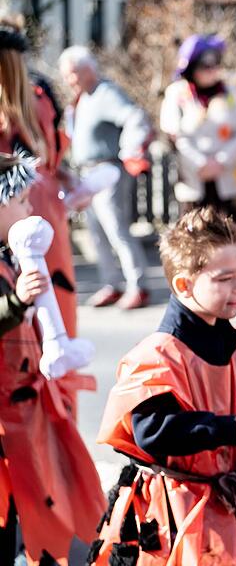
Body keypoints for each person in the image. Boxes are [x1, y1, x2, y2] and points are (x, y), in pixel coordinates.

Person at [89, 207, 236, 564]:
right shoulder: (157, 355)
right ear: (183, 285)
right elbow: (152, 431)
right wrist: (230, 429)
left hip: (222, 506)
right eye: (224, 278)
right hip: (170, 514)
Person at [0, 152, 105, 566]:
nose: (30, 209)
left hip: (22, 401)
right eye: (20, 201)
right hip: (4, 414)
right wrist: (16, 301)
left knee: (32, 492)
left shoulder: (9, 258)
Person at [0, 18, 93, 419]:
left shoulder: (26, 105)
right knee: (52, 318)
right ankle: (58, 412)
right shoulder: (39, 99)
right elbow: (52, 157)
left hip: (18, 219)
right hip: (45, 216)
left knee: (32, 325)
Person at [59, 45, 152, 310]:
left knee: (116, 229)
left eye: (73, 73)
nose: (69, 80)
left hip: (108, 169)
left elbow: (135, 116)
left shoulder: (106, 93)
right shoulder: (82, 99)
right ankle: (112, 283)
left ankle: (138, 285)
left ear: (88, 69)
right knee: (96, 233)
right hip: (87, 173)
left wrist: (129, 149)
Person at [160, 34, 236, 222]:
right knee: (194, 231)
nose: (211, 71)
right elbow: (174, 134)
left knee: (227, 229)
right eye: (205, 66)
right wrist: (201, 163)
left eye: (215, 65)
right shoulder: (177, 94)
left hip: (226, 176)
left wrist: (221, 161)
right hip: (193, 178)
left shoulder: (230, 93)